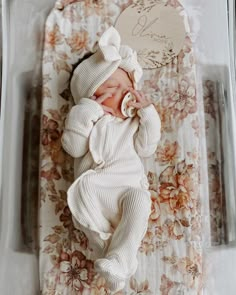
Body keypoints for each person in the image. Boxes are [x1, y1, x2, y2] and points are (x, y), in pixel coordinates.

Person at [61, 26, 161, 293]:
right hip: (95, 192)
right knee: (85, 192)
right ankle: (114, 259)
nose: (128, 92)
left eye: (130, 86)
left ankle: (118, 263)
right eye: (116, 87)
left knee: (141, 201)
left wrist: (149, 114)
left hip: (127, 190)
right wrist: (86, 111)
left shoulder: (133, 124)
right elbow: (72, 147)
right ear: (95, 95)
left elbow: (147, 148)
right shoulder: (89, 121)